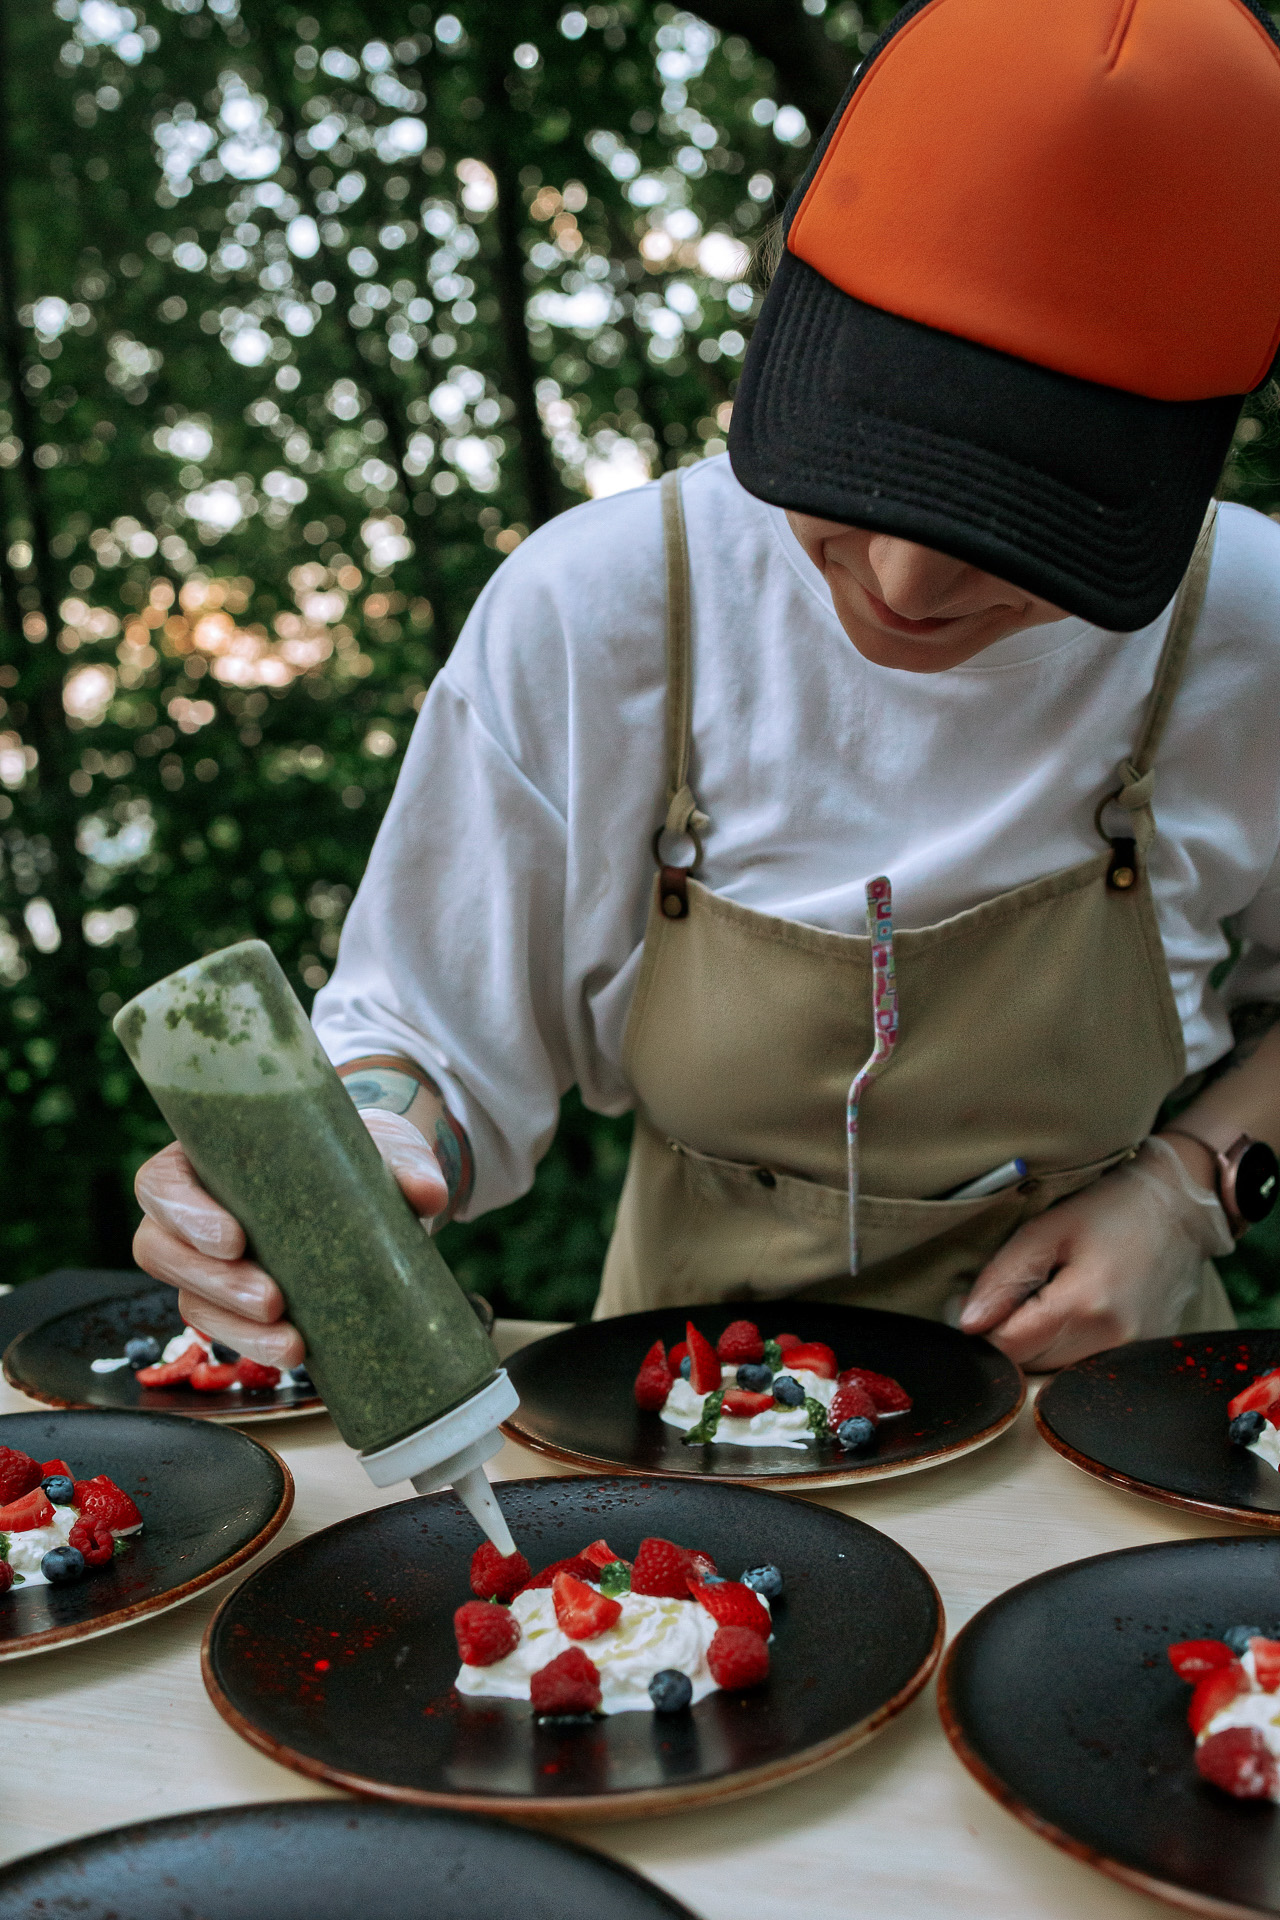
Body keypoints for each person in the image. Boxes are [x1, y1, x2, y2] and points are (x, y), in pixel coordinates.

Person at [132, 0, 1280, 1374]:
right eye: (869, 471)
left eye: (1019, 525)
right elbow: (423, 1042)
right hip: (676, 1415)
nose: (906, 586)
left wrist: (1190, 1191)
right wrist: (348, 1158)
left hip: (1118, 1410)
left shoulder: (1255, 634)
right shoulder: (598, 610)